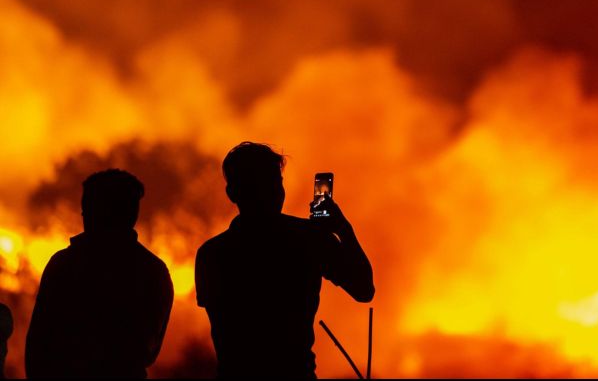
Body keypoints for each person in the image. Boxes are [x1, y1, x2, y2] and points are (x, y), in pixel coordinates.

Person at [196, 142, 374, 378]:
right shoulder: (309, 238)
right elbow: (364, 289)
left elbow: (223, 332)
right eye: (272, 183)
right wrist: (343, 229)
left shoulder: (211, 254)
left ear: (232, 193)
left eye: (276, 182)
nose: (276, 191)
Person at [25, 169, 174, 378]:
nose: (83, 214)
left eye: (86, 208)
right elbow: (149, 351)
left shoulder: (65, 264)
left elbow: (38, 344)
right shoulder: (154, 271)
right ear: (133, 214)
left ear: (92, 211)